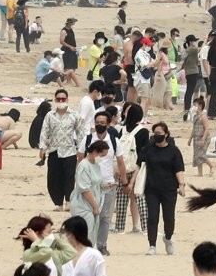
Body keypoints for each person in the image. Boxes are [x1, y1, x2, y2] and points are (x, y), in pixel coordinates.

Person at [128, 122, 187, 256]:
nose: (157, 136)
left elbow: (179, 169)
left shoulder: (174, 151)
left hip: (169, 189)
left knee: (169, 217)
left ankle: (168, 238)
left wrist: (181, 185)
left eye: (159, 134)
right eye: (155, 133)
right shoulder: (148, 149)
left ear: (166, 134)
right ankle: (152, 245)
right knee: (153, 217)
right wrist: (131, 182)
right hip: (152, 188)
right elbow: (139, 166)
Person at [39, 89, 83, 211]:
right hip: (54, 151)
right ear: (55, 100)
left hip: (70, 151)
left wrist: (81, 149)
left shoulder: (74, 115)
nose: (61, 101)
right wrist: (42, 148)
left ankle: (69, 201)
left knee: (69, 177)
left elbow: (80, 133)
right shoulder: (50, 115)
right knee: (53, 178)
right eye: (58, 99)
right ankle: (58, 203)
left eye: (63, 99)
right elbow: (44, 131)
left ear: (67, 100)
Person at [114, 103, 149, 234]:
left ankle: (120, 227)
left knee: (121, 200)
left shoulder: (121, 130)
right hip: (136, 168)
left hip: (122, 168)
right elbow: (143, 154)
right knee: (140, 198)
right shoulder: (143, 131)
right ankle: (144, 227)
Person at [70, 141, 109, 248]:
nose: (103, 158)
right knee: (84, 233)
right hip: (83, 205)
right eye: (102, 155)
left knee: (92, 234)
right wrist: (95, 207)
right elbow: (85, 189)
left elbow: (96, 183)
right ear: (95, 152)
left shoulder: (96, 165)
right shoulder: (84, 166)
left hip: (93, 204)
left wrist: (106, 185)